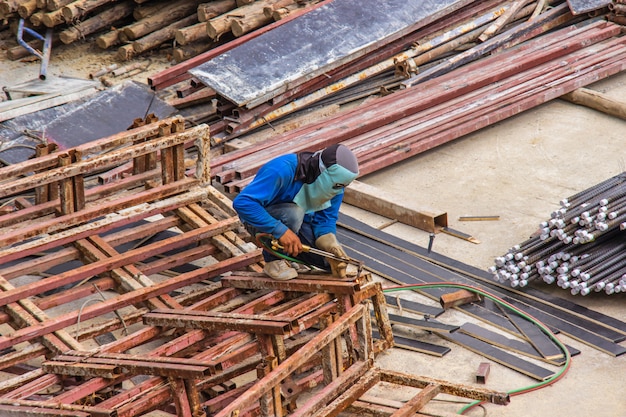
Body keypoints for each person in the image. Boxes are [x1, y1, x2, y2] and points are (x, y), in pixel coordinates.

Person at [233, 144, 359, 280]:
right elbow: (243, 203)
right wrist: (280, 230)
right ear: (324, 173)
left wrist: (331, 245)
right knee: (294, 214)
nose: (339, 191)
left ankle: (288, 254)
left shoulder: (336, 185)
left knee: (328, 261)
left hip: (298, 221)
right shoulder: (282, 170)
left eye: (343, 187)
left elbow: (325, 220)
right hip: (259, 219)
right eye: (338, 186)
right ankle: (273, 261)